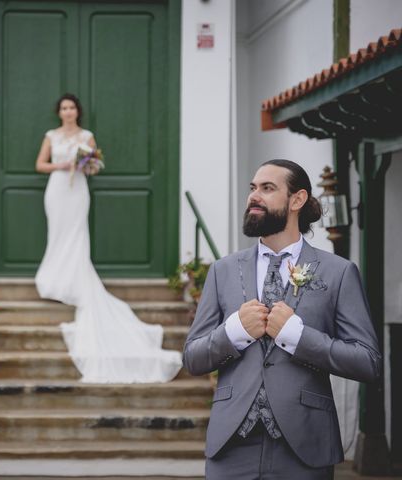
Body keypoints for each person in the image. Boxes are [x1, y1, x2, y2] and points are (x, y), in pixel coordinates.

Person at [183, 159, 381, 479]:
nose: (254, 196)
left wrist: (297, 336)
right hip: (231, 446)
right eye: (252, 188)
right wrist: (234, 331)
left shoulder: (339, 272)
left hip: (305, 446)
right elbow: (193, 357)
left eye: (267, 188)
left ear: (297, 200)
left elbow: (367, 361)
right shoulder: (223, 271)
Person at [35, 93, 182, 383]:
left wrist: (84, 165)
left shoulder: (87, 136)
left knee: (77, 234)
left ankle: (75, 279)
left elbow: (94, 166)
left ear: (78, 111)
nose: (68, 111)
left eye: (72, 107)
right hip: (56, 189)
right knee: (58, 234)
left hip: (77, 191)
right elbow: (40, 164)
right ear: (59, 112)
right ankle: (53, 278)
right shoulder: (51, 135)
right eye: (63, 108)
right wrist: (61, 166)